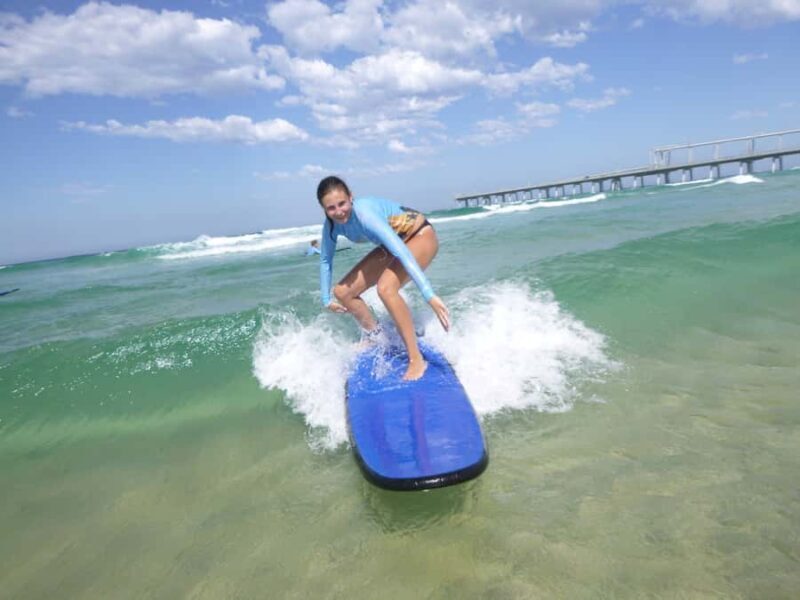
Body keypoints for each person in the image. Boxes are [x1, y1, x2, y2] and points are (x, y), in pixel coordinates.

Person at [316, 175, 450, 381]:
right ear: (324, 209)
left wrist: (428, 294)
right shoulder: (332, 226)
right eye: (331, 208)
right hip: (396, 243)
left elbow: (401, 252)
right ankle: (376, 336)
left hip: (421, 236)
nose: (338, 211)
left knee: (386, 288)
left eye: (341, 203)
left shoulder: (365, 215)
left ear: (351, 197)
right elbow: (326, 260)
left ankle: (416, 359)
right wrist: (326, 299)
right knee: (343, 292)